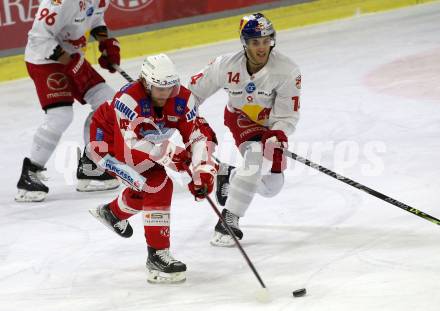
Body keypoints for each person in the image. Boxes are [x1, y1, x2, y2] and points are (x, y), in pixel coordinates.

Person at [87, 54, 217, 283]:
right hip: (106, 144)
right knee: (157, 185)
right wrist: (169, 154)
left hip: (138, 144)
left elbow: (197, 137)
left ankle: (113, 213)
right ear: (146, 83)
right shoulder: (128, 100)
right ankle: (157, 255)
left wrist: (203, 170)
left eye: (170, 87)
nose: (165, 94)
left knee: (146, 188)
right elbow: (130, 147)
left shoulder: (182, 100)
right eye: (159, 88)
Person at [188, 13, 301, 247]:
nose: (261, 48)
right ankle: (229, 219)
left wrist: (278, 133)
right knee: (256, 157)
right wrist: (181, 118)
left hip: (270, 127)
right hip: (241, 121)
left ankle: (228, 175)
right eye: (255, 42)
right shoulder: (224, 66)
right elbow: (192, 94)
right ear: (244, 43)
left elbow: (287, 115)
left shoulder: (287, 71)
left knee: (272, 187)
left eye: (266, 41)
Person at [15, 0, 120, 202]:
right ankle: (30, 173)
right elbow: (38, 37)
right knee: (60, 115)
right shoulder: (61, 2)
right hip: (45, 60)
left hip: (72, 57)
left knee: (108, 103)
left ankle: (92, 166)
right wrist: (70, 61)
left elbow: (96, 17)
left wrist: (104, 43)